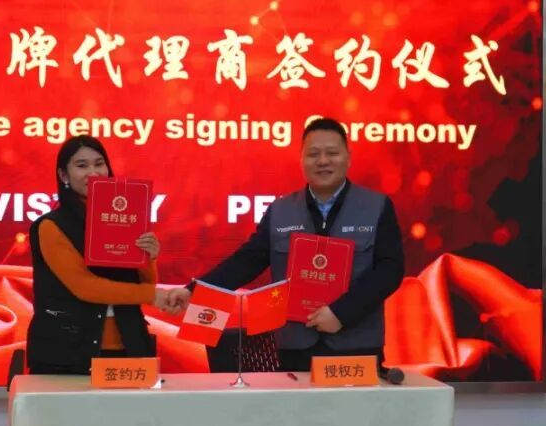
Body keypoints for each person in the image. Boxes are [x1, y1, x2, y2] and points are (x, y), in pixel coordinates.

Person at [167, 117, 405, 371]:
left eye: (332, 153)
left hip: (355, 347)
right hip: (296, 348)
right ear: (301, 160)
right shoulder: (280, 210)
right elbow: (246, 261)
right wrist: (193, 291)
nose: (323, 161)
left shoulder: (376, 206)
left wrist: (342, 313)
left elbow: (390, 270)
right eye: (313, 154)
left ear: (348, 157)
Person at [27, 135, 174, 375]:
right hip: (68, 353)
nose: (93, 172)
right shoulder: (51, 226)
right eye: (81, 165)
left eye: (99, 164)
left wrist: (149, 257)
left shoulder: (127, 217)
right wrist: (153, 295)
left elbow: (146, 283)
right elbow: (85, 287)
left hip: (129, 345)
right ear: (64, 175)